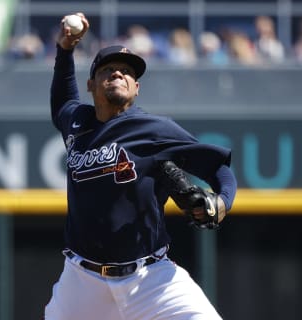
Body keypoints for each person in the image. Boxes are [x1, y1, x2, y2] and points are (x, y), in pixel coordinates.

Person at [44, 12, 237, 320]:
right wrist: (65, 49)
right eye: (109, 69)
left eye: (126, 72)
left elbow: (219, 169)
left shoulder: (155, 130)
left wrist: (222, 202)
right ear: (92, 84)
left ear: (136, 88)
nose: (118, 74)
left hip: (151, 280)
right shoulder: (76, 121)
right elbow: (61, 100)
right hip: (82, 283)